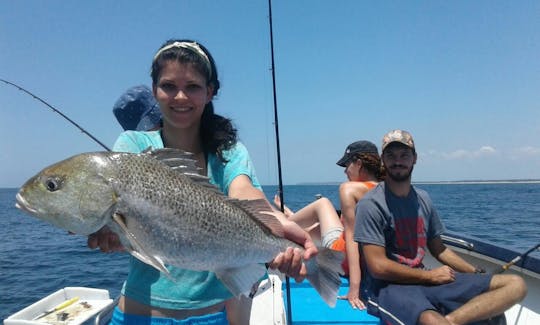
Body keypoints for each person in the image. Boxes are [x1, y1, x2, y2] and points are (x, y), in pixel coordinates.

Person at [88, 39, 317, 325]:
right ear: (154, 91)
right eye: (169, 86)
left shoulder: (229, 151)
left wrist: (275, 223)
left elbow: (244, 190)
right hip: (138, 315)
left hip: (211, 318)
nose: (180, 97)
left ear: (210, 92)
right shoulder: (133, 145)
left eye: (193, 87)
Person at [354, 129, 527, 325]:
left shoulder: (423, 199)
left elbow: (439, 249)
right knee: (433, 320)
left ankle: (450, 321)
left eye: (404, 155)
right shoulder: (371, 204)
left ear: (415, 159)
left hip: (425, 278)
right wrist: (429, 276)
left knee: (515, 285)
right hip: (388, 287)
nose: (398, 161)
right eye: (391, 156)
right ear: (383, 160)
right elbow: (378, 267)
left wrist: (474, 273)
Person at [273, 140, 384, 310]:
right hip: (361, 260)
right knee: (314, 230)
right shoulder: (387, 190)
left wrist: (354, 287)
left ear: (359, 163)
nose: (346, 171)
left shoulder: (350, 189)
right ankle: (291, 221)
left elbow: (352, 236)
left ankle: (277, 225)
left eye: (347, 165)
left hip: (339, 256)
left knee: (323, 203)